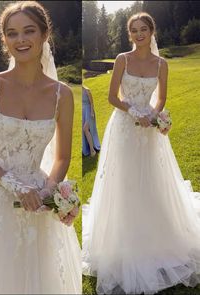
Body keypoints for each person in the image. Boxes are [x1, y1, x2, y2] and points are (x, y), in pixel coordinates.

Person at [0, 1, 81, 294]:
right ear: (4, 40)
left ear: (44, 35)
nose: (21, 40)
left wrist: (50, 190)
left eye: (29, 31)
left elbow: (63, 156)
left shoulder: (62, 94)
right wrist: (14, 184)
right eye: (12, 33)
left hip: (38, 203)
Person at [82, 12, 200, 295]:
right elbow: (113, 97)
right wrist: (135, 112)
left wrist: (155, 114)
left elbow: (161, 96)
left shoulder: (161, 63)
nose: (138, 34)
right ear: (129, 33)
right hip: (124, 129)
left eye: (143, 29)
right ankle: (125, 240)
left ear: (151, 31)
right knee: (125, 182)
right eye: (133, 30)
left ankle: (157, 237)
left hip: (149, 130)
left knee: (152, 180)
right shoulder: (122, 59)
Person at [82, 85, 100, 157]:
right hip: (83, 112)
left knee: (85, 129)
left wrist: (92, 112)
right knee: (84, 131)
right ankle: (88, 148)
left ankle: (93, 150)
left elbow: (92, 103)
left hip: (89, 112)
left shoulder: (87, 90)